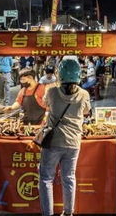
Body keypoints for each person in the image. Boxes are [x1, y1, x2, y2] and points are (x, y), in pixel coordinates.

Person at [39, 58, 91, 216]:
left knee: (46, 178)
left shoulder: (52, 91)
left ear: (59, 74)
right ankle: (68, 212)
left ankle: (48, 214)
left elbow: (45, 103)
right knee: (69, 178)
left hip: (54, 141)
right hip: (74, 142)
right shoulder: (84, 94)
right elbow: (86, 111)